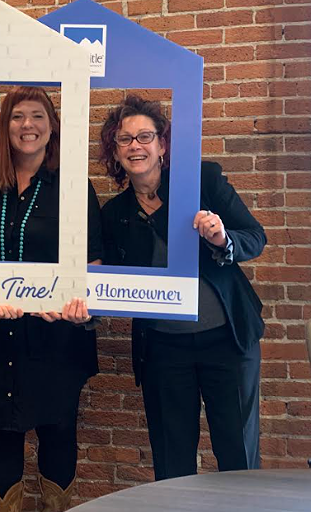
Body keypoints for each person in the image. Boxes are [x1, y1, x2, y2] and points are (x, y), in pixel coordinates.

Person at [98, 95, 266, 480]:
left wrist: (223, 238)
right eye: (125, 139)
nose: (135, 146)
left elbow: (254, 237)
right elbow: (111, 280)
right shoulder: (115, 214)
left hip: (228, 341)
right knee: (172, 464)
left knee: (238, 456)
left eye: (145, 136)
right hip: (163, 350)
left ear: (163, 145)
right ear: (115, 150)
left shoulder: (203, 181)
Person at [0, 86, 103, 512]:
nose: (28, 126)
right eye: (18, 116)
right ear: (4, 126)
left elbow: (93, 260)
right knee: (1, 434)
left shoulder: (74, 184)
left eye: (38, 116)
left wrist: (83, 305)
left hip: (54, 337)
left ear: (52, 125)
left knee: (58, 433)